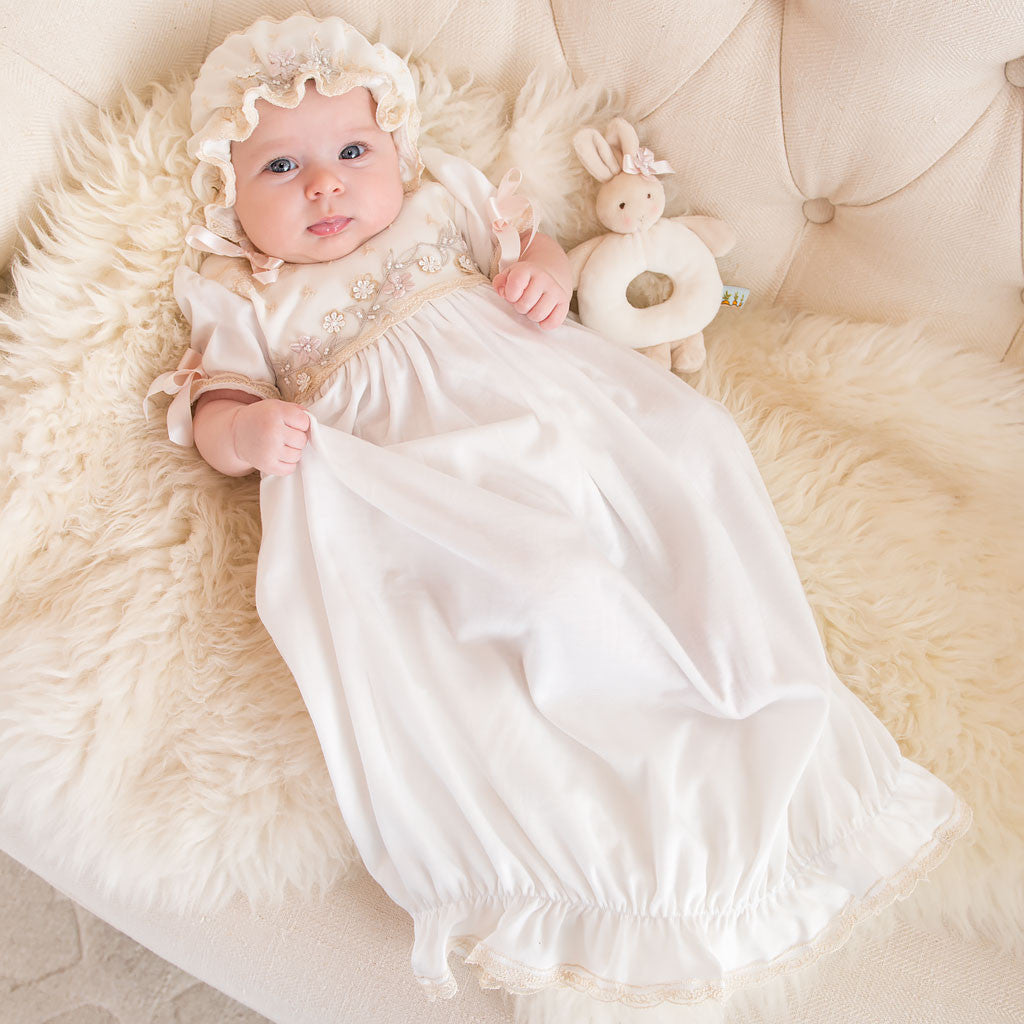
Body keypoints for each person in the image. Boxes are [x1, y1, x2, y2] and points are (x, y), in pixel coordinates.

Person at [147, 13, 971, 1006]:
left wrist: (541, 271)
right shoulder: (243, 287)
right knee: (547, 585)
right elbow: (215, 402)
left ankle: (731, 701)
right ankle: (617, 807)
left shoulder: (438, 197)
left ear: (396, 150)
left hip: (541, 404)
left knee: (690, 453)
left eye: (351, 151)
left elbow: (530, 243)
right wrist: (247, 433)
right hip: (410, 478)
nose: (324, 183)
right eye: (279, 168)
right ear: (227, 193)